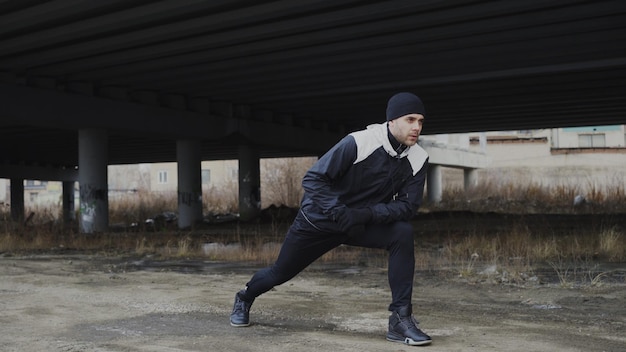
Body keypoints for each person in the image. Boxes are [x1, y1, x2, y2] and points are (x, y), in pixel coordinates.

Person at [230, 92, 432, 346]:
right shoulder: (360, 142)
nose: (416, 127)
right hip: (319, 221)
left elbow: (407, 206)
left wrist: (365, 214)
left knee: (402, 232)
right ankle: (245, 297)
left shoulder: (418, 158)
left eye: (421, 121)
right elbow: (313, 179)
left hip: (359, 223)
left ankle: (400, 319)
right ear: (391, 121)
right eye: (410, 119)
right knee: (279, 273)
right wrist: (339, 212)